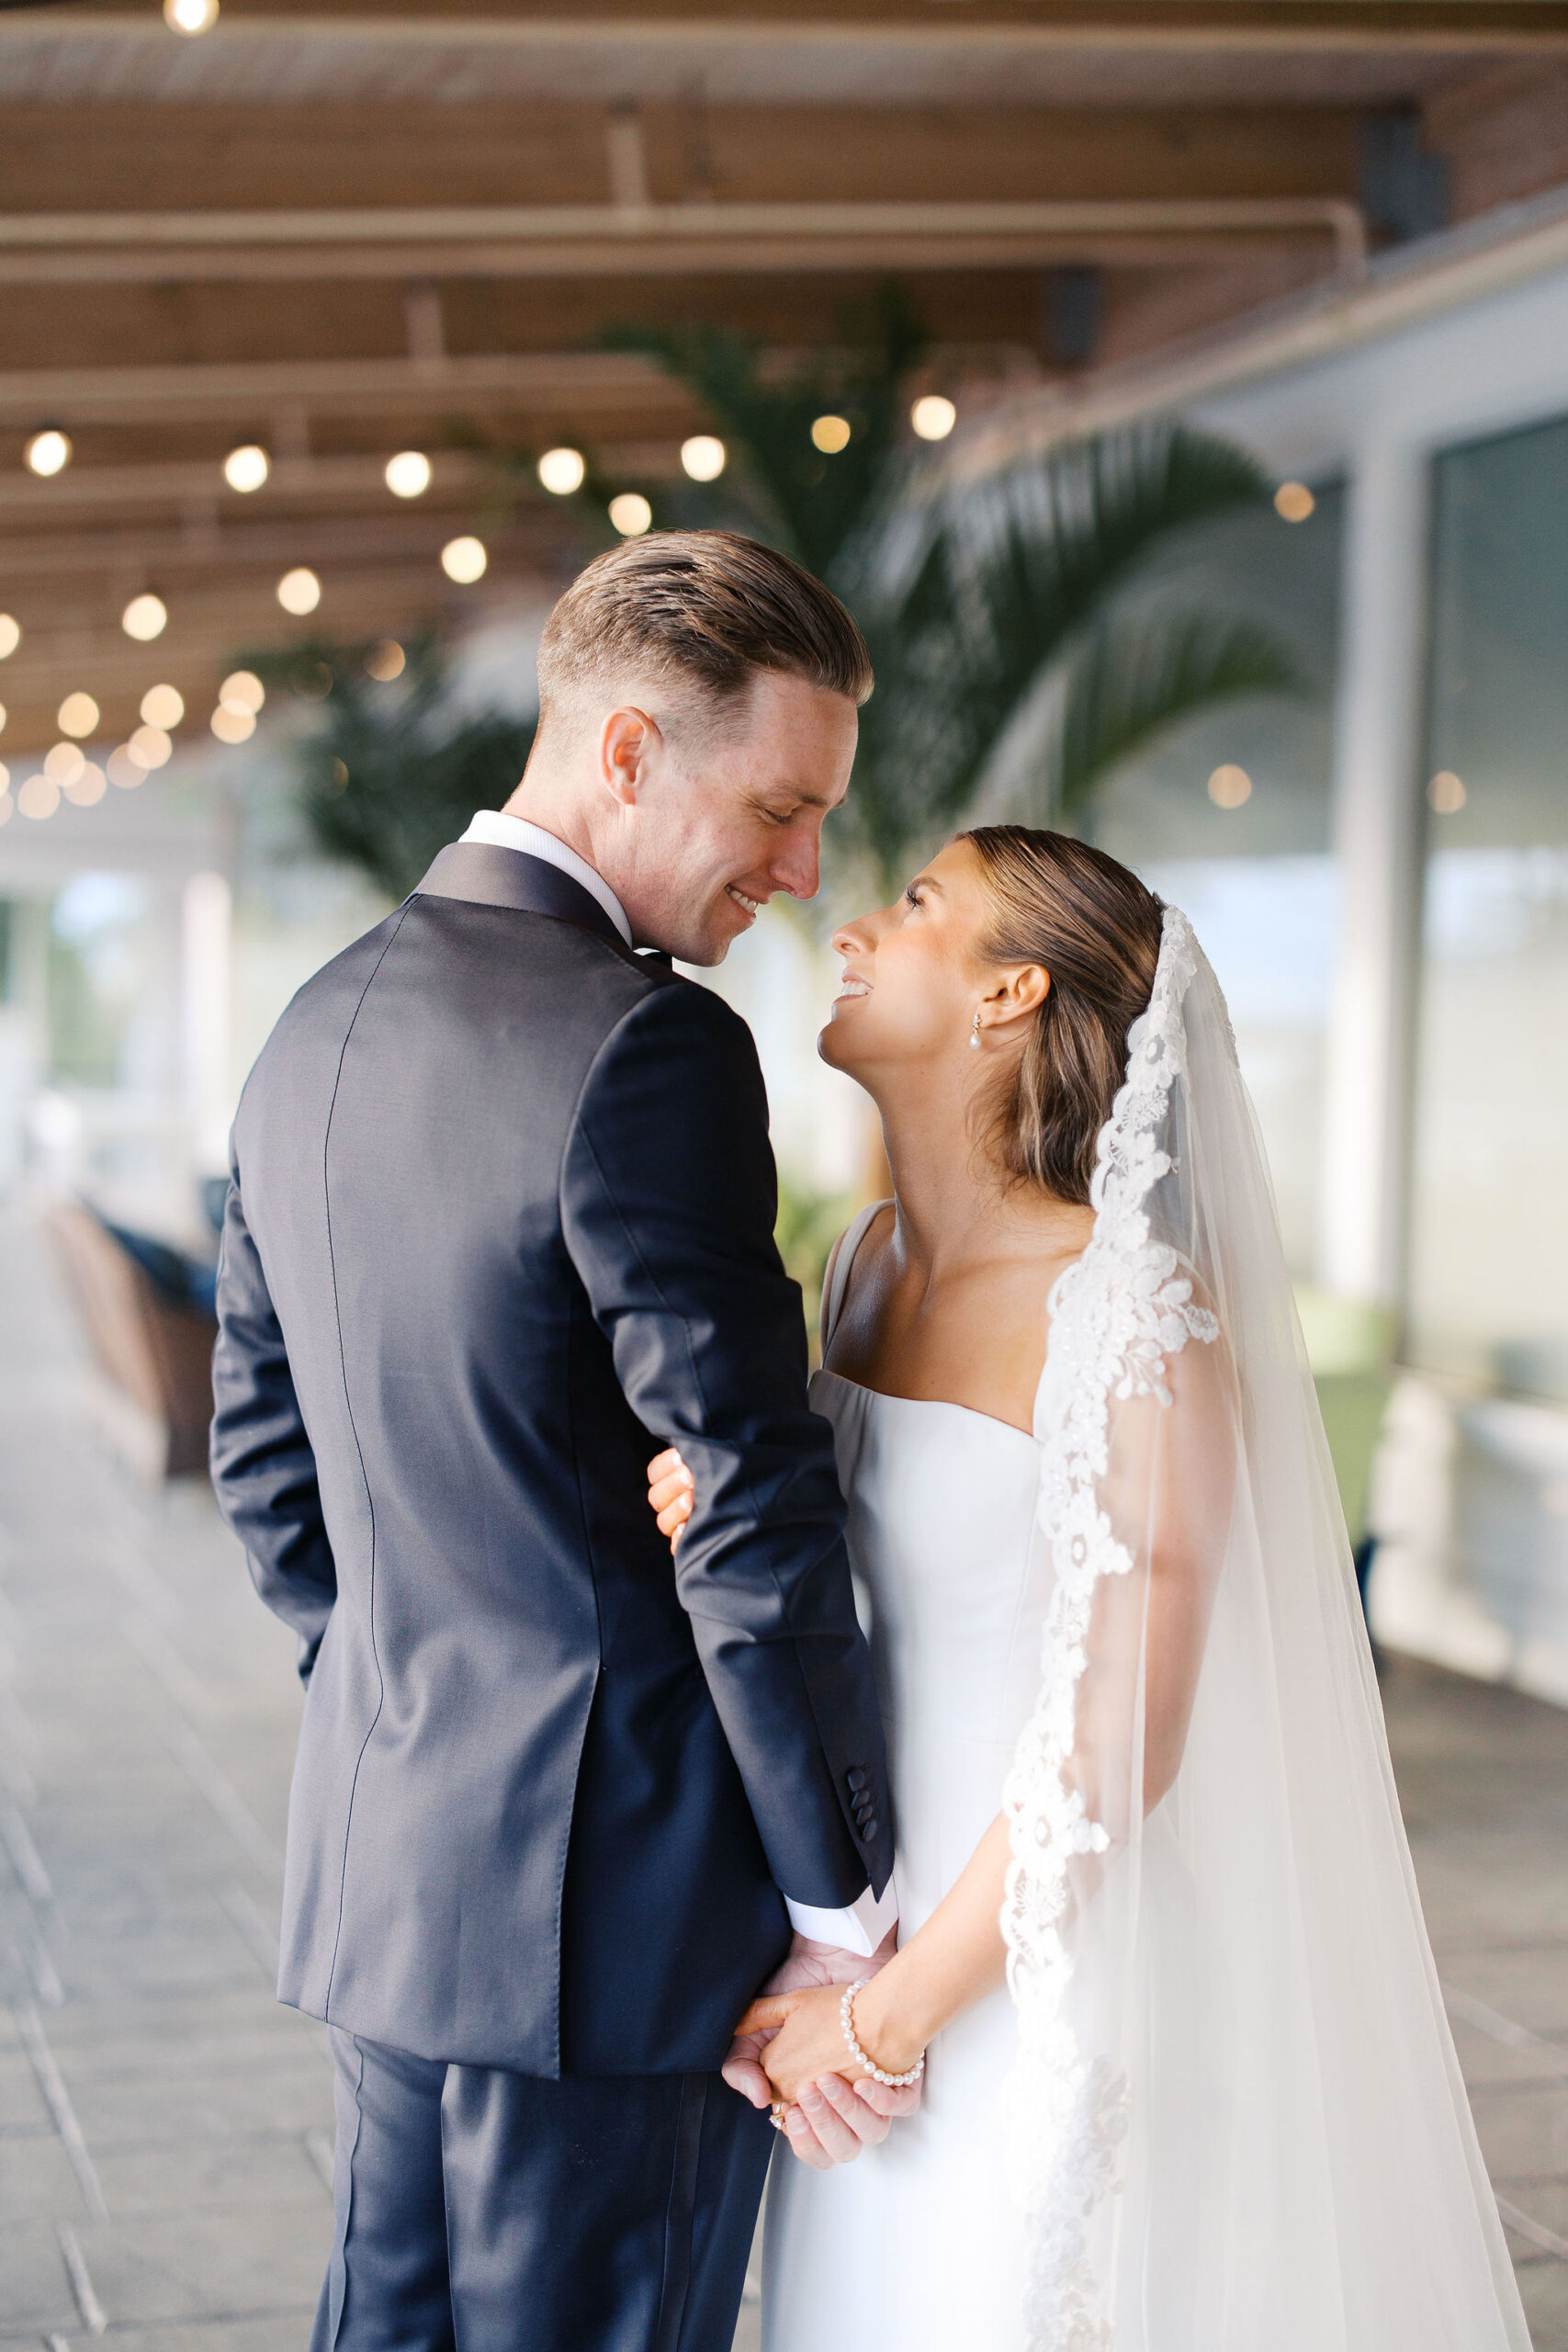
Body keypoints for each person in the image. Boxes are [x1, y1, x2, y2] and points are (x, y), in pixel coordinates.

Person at [649, 826, 1531, 2350]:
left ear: (1010, 996)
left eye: (917, 905)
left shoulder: (1133, 1318)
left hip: (1031, 1994)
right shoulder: (862, 1270)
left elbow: (1121, 1740)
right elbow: (831, 1614)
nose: (855, 928)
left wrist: (890, 2019)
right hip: (859, 1957)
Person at [208, 532, 919, 2352]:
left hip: (393, 1871)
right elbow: (746, 1504)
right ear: (621, 752)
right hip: (622, 1918)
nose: (801, 866)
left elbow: (264, 1464)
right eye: (773, 804)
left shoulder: (311, 1026)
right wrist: (837, 1902)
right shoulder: (646, 1049)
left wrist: (419, 1686)